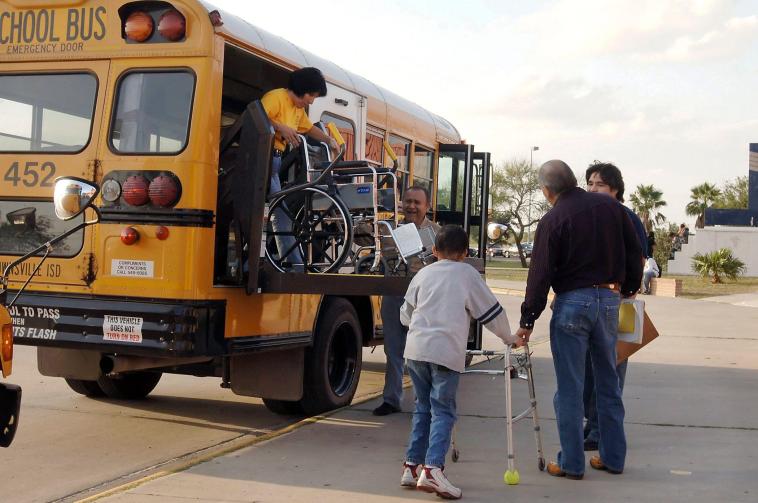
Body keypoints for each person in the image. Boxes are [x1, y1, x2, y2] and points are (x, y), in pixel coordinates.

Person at [516, 160, 642, 479]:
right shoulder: (613, 209)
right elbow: (634, 252)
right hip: (611, 301)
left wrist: (528, 319)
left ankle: (572, 463)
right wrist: (626, 288)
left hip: (573, 302)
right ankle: (613, 458)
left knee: (570, 388)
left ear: (547, 191)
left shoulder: (553, 218)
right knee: (608, 383)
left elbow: (540, 274)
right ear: (575, 181)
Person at [398, 225, 523, 499]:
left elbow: (405, 314)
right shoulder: (467, 274)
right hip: (445, 353)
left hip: (416, 350)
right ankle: (432, 470)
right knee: (443, 410)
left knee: (423, 408)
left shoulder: (423, 273)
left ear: (434, 251)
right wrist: (509, 337)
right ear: (465, 253)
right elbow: (490, 311)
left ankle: (411, 465)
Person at [583, 162, 646, 451]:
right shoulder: (587, 215)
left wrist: (627, 294)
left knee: (612, 369)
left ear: (615, 190)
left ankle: (603, 430)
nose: (593, 189)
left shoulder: (628, 219)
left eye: (600, 185)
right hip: (589, 302)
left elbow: (639, 261)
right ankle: (592, 423)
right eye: (590, 183)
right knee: (587, 368)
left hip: (622, 304)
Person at [261, 67, 339, 270]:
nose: (312, 101)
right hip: (264, 158)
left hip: (275, 160)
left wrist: (329, 140)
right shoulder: (275, 97)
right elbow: (258, 118)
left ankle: (291, 261)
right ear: (302, 88)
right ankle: (293, 262)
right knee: (280, 211)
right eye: (311, 95)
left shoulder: (297, 109)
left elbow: (308, 128)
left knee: (280, 211)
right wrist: (281, 127)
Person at [373, 186, 441, 416]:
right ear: (401, 203)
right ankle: (391, 400)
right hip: (394, 296)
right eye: (408, 201)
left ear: (427, 206)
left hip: (424, 300)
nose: (412, 206)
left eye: (417, 202)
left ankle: (428, 402)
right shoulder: (389, 229)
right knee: (393, 350)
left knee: (423, 352)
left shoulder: (438, 233)